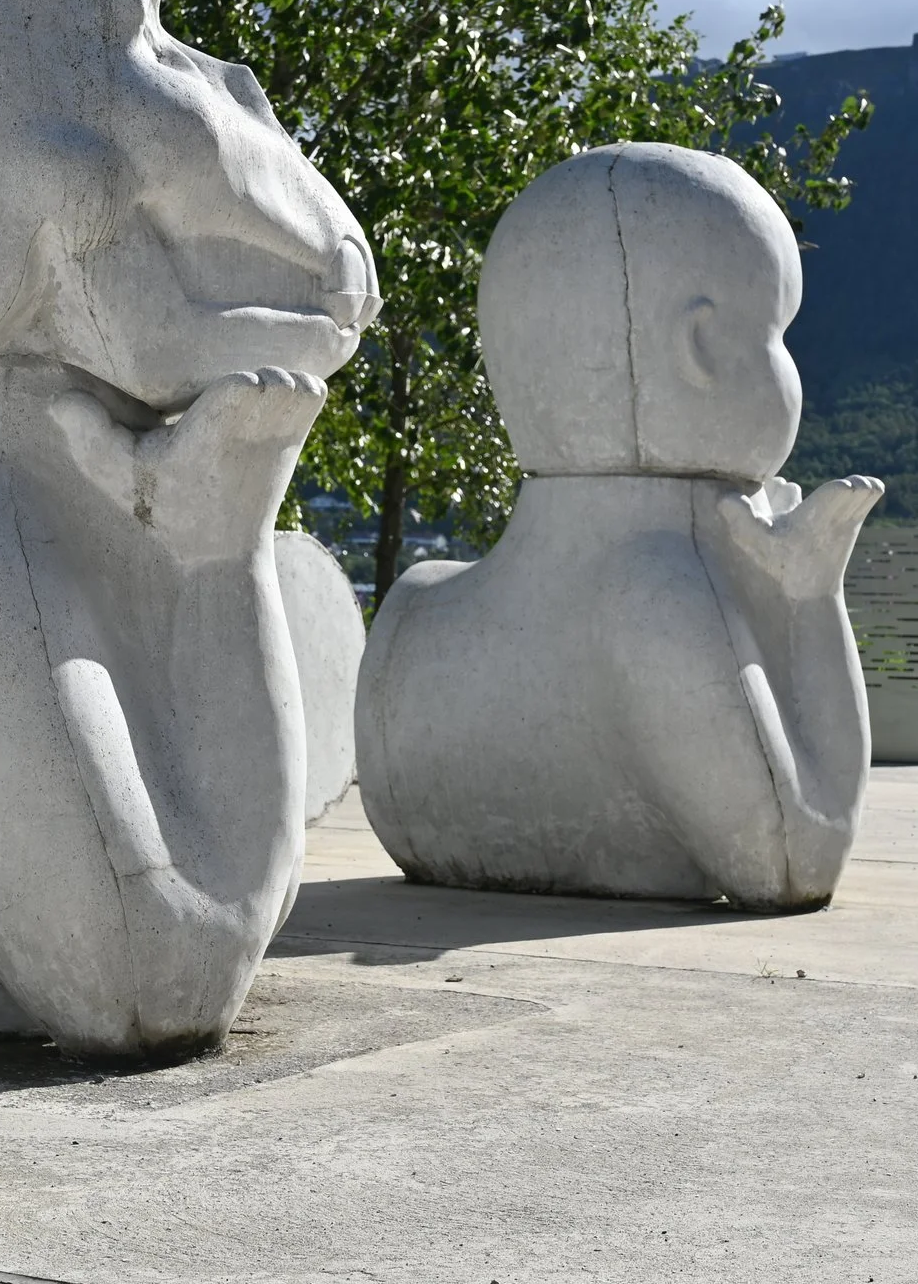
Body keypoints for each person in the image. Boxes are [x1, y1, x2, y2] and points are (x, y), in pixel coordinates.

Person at [356, 142, 881, 910]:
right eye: (781, 331)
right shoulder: (653, 592)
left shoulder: (414, 615)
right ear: (698, 346)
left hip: (409, 793)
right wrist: (810, 601)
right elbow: (796, 857)